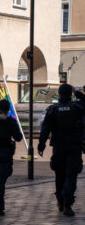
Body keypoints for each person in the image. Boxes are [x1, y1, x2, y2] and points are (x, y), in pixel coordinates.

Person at [38, 83, 84, 216]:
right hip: (74, 146)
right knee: (71, 175)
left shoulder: (53, 109)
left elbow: (45, 128)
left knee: (60, 175)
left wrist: (41, 145)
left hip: (59, 147)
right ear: (71, 94)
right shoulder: (77, 107)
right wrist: (77, 93)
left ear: (59, 93)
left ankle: (61, 201)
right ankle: (68, 204)